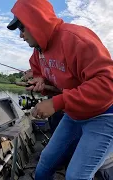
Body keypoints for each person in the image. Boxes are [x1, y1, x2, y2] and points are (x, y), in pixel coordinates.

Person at [7, 0, 113, 179]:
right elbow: (38, 69)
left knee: (75, 176)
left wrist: (57, 102)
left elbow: (107, 83)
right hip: (74, 115)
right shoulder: (38, 50)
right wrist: (40, 80)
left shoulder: (76, 39)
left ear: (36, 22)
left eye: (22, 28)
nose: (21, 36)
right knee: (45, 163)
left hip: (104, 115)